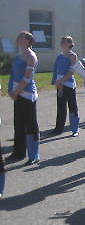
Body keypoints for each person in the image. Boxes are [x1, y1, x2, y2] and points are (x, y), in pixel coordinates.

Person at [7, 31, 40, 165]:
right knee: (18, 124)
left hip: (27, 95)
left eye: (21, 37)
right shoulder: (18, 56)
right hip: (17, 93)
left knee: (30, 125)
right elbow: (12, 74)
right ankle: (18, 153)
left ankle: (34, 155)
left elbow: (27, 77)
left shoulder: (31, 56)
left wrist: (17, 91)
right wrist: (10, 90)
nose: (18, 38)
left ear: (27, 41)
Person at [51, 35, 80, 137]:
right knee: (61, 106)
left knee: (72, 107)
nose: (62, 43)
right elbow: (56, 70)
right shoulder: (59, 56)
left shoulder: (73, 56)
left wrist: (62, 80)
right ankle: (58, 128)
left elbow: (71, 71)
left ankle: (75, 128)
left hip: (68, 84)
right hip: (60, 84)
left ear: (70, 44)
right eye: (61, 41)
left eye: (64, 41)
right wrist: (55, 81)